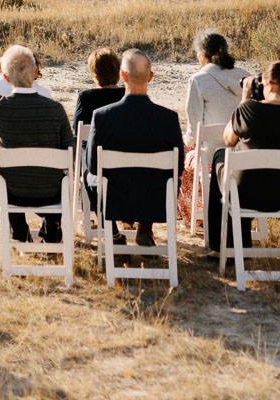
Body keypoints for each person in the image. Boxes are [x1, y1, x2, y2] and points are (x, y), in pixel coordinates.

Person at [0, 46, 71, 242]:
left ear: (5, 78)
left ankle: (20, 230)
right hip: (51, 193)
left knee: (4, 174)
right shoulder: (56, 110)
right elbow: (69, 151)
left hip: (12, 193)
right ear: (35, 73)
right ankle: (53, 225)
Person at [210, 60, 280, 252]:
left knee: (220, 156)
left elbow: (228, 139)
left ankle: (223, 245)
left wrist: (245, 97)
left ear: (269, 85)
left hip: (245, 196)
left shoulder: (249, 109)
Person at [87, 50, 183, 247]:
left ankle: (112, 232)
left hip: (114, 201)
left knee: (88, 176)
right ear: (151, 77)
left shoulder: (102, 117)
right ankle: (145, 227)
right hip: (157, 202)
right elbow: (178, 167)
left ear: (122, 76)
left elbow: (92, 165)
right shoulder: (169, 119)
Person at [178, 31, 249, 226]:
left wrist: (187, 142)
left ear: (202, 55)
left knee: (182, 152)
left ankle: (197, 215)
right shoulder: (245, 77)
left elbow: (193, 133)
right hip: (244, 155)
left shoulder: (198, 80)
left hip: (210, 157)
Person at [72, 48, 126, 130]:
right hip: (123, 142)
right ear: (117, 71)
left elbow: (77, 130)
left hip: (94, 142)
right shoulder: (128, 95)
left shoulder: (86, 98)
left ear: (94, 73)